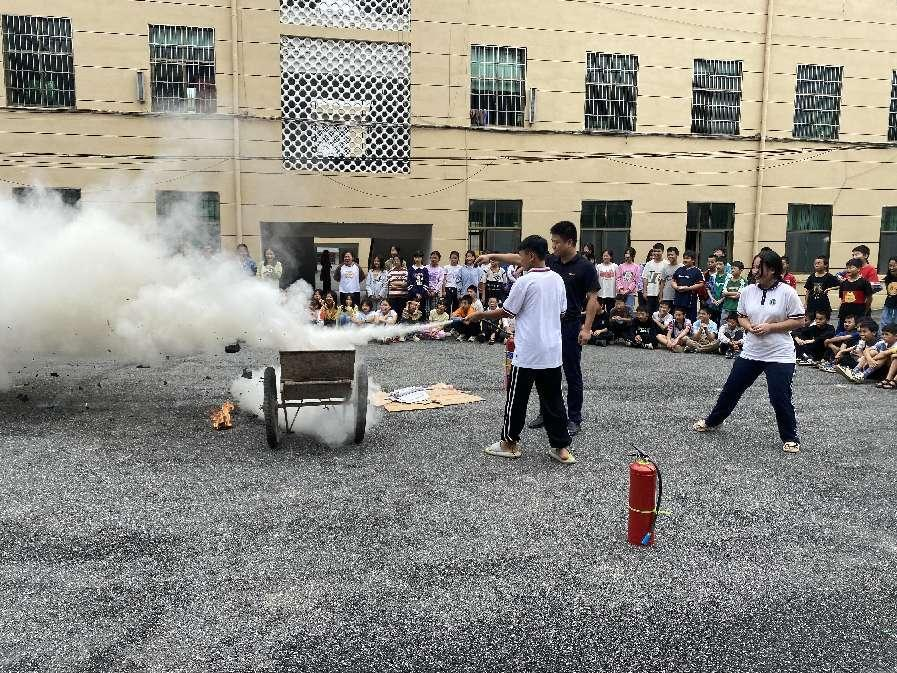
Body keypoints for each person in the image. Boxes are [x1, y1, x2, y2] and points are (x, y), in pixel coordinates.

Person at [478, 222, 600, 437]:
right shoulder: (551, 260)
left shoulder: (585, 267)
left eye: (557, 242)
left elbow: (593, 300)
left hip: (570, 325)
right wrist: (492, 257)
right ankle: (547, 414)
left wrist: (586, 328)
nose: (553, 246)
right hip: (549, 324)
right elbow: (521, 258)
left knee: (572, 373)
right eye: (552, 242)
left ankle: (574, 418)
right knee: (546, 372)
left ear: (570, 242)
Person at [466, 235, 575, 465]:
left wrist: (480, 314)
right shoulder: (557, 279)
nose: (519, 260)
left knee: (516, 399)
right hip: (552, 353)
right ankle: (561, 447)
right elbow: (562, 313)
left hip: (527, 353)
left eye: (522, 255)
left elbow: (507, 311)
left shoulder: (524, 282)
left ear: (531, 255)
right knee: (554, 400)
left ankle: (509, 443)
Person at [694, 250, 807, 453]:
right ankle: (714, 421)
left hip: (779, 354)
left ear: (772, 269)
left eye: (758, 267)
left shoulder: (787, 292)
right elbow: (741, 315)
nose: (754, 270)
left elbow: (799, 320)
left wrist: (770, 327)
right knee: (732, 388)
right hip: (752, 351)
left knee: (779, 395)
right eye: (753, 266)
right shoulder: (748, 291)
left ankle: (790, 436)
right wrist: (748, 326)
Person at [837, 259, 874, 330]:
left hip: (858, 315)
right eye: (847, 267)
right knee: (840, 332)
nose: (848, 270)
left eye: (851, 267)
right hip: (844, 315)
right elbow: (842, 299)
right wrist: (840, 310)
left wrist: (865, 311)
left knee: (857, 333)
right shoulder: (844, 283)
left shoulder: (864, 282)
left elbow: (869, 298)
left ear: (859, 269)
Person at [671, 250, 705, 321]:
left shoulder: (697, 271)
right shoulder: (679, 269)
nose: (685, 260)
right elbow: (673, 281)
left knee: (690, 320)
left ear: (693, 260)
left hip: (690, 301)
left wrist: (688, 288)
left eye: (687, 258)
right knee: (678, 318)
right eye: (684, 258)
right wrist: (676, 287)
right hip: (678, 300)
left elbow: (701, 284)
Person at [641, 246, 666, 315]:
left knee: (660, 314)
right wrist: (645, 291)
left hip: (661, 294)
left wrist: (662, 295)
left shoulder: (666, 264)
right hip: (650, 293)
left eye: (658, 251)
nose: (656, 253)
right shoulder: (649, 264)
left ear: (662, 251)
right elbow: (645, 278)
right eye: (655, 251)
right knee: (649, 313)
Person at [704, 257, 728, 326]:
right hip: (712, 303)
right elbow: (708, 288)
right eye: (717, 264)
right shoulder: (713, 276)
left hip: (723, 304)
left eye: (720, 264)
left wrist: (721, 300)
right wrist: (712, 298)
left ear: (725, 265)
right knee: (711, 322)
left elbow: (728, 291)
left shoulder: (728, 277)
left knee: (722, 322)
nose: (718, 266)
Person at [386, 251, 408, 317]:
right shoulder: (390, 271)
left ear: (401, 262)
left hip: (402, 296)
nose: (396, 262)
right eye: (394, 260)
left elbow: (405, 284)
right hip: (392, 296)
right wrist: (399, 284)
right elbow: (389, 283)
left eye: (397, 260)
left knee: (402, 312)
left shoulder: (405, 271)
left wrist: (395, 284)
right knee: (393, 313)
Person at [597, 249, 618, 314]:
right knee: (600, 312)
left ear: (611, 257)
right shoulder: (598, 266)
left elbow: (618, 279)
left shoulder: (615, 266)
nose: (605, 257)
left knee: (611, 311)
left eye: (607, 256)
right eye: (604, 256)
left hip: (611, 293)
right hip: (601, 293)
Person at [881, 256, 897, 327]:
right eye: (890, 266)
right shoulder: (888, 278)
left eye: (894, 266)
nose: (891, 268)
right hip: (888, 306)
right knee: (884, 325)